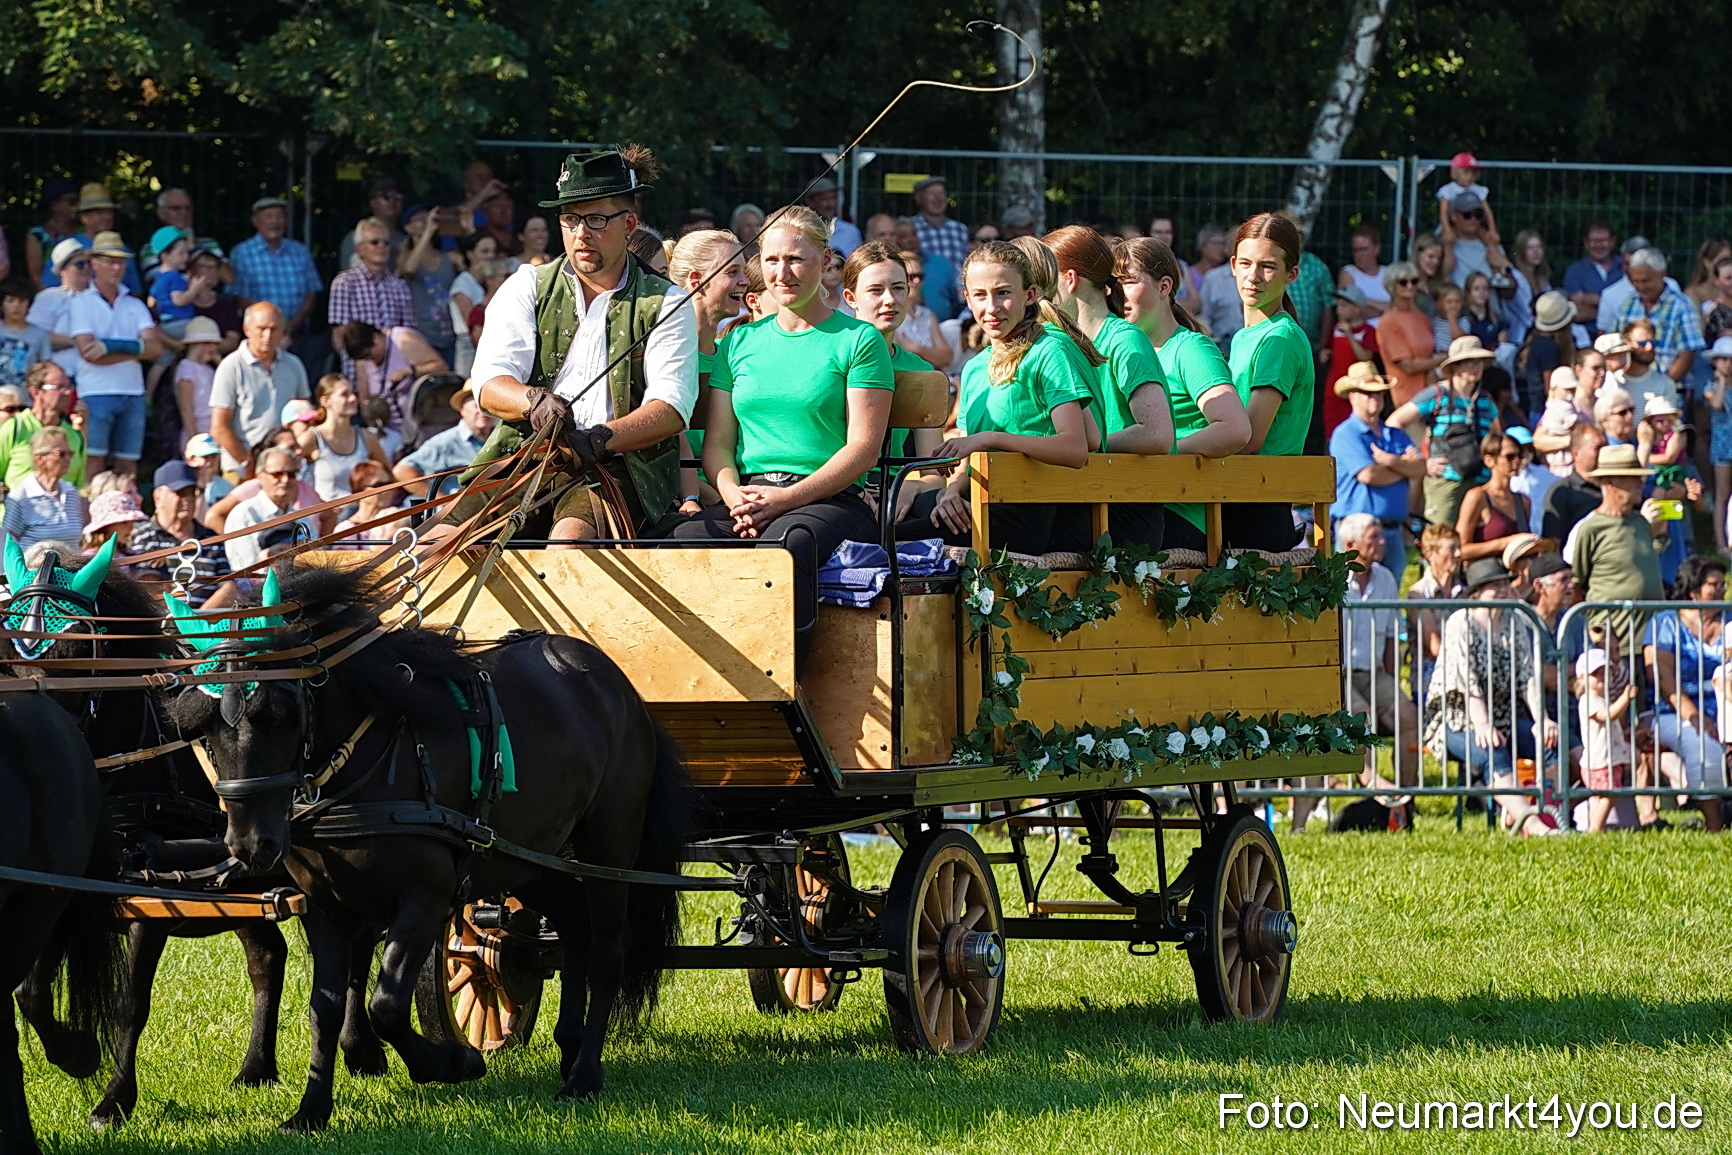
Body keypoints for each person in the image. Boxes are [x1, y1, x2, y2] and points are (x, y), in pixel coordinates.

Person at [673, 204, 892, 667]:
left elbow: (862, 449)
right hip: (750, 498)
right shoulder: (740, 342)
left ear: (826, 261)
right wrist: (733, 496)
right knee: (677, 539)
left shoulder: (859, 340)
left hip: (829, 499)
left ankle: (786, 692)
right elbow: (717, 444)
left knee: (787, 545)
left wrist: (783, 499)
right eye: (771, 260)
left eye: (795, 259)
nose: (782, 272)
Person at [457, 147, 698, 543]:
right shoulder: (526, 285)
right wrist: (533, 402)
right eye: (570, 220)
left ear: (629, 224)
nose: (581, 233)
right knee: (442, 544)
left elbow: (670, 410)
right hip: (523, 458)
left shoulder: (666, 302)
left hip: (620, 466)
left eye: (596, 219)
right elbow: (488, 384)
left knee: (569, 542)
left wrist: (599, 438)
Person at [1114, 237, 1251, 551]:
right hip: (1132, 502)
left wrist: (1162, 453)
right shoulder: (1121, 351)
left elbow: (1235, 429)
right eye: (1113, 283)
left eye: (1129, 281)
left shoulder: (1190, 349)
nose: (1118, 293)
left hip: (1178, 514)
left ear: (1164, 287)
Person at [1044, 225, 1172, 547]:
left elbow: (1157, 433)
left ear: (1070, 280)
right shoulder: (1062, 344)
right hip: (1089, 496)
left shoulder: (1124, 339)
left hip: (1127, 509)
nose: (1035, 293)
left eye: (1044, 281)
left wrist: (1083, 444)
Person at [1423, 557, 1560, 835]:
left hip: (1505, 718)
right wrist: (1483, 725)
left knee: (1550, 745)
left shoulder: (1515, 620)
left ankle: (1540, 813)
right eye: (1494, 586)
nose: (1503, 590)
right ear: (1476, 593)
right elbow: (1466, 681)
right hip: (1457, 721)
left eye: (1505, 584)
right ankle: (1531, 825)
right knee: (1491, 751)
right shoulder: (1460, 623)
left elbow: (1528, 676)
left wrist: (1542, 719)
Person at [1222, 213, 1314, 550]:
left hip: (1259, 506)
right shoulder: (1247, 336)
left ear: (1291, 275)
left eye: (1268, 266)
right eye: (1245, 263)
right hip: (1240, 497)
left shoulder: (1280, 338)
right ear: (1232, 265)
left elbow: (1249, 439)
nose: (1253, 276)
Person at [1336, 512, 1421, 812]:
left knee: (1408, 715)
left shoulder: (1385, 577)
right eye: (1374, 537)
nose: (1383, 541)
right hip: (1338, 675)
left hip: (1374, 672)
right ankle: (1372, 784)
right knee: (1362, 715)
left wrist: (1392, 681)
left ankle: (1406, 798)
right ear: (1350, 544)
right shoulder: (1332, 578)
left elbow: (1388, 635)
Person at [1643, 554, 1727, 833]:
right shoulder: (1664, 623)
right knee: (1703, 746)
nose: (1722, 590)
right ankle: (1714, 824)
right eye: (1713, 585)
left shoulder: (1730, 620)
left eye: (1723, 583)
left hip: (1726, 707)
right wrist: (1695, 716)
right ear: (1692, 591)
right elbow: (1662, 678)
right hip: (1674, 711)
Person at [69, 232, 160, 477]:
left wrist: (108, 346)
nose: (117, 267)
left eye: (120, 261)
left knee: (128, 465)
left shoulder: (134, 304)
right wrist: (134, 349)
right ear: (94, 263)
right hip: (95, 393)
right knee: (93, 463)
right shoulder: (81, 303)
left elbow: (156, 348)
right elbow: (88, 352)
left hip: (132, 394)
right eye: (110, 261)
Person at [1386, 335, 1500, 527]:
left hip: (1481, 481)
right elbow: (1394, 422)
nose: (1476, 367)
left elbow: (1498, 436)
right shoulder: (1437, 394)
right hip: (1445, 480)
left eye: (1479, 362)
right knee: (1441, 537)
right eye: (1469, 362)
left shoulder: (1486, 399)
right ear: (1455, 366)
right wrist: (1420, 461)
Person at [1569, 443, 1665, 669]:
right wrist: (1596, 632)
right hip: (1614, 646)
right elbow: (1574, 586)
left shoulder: (1640, 523)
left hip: (1652, 642)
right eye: (1632, 478)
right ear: (1611, 483)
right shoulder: (1590, 529)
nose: (1640, 483)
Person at [1330, 362, 1422, 572]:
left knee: (1388, 597)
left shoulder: (1394, 432)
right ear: (1352, 396)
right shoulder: (1346, 433)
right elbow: (1369, 475)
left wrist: (1389, 461)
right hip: (1356, 532)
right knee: (1351, 595)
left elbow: (1420, 468)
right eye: (1368, 393)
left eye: (1379, 393)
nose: (1376, 397)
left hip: (1392, 531)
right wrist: (1403, 466)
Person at [209, 303, 310, 475]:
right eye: (261, 329)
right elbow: (219, 427)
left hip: (286, 467)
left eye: (274, 329)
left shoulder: (294, 364)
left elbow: (304, 415)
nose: (267, 335)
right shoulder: (231, 367)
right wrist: (248, 463)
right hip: (241, 469)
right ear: (247, 329)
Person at [228, 196, 323, 360]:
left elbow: (311, 293)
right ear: (255, 221)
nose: (275, 221)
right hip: (260, 335)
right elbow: (240, 298)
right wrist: (273, 327)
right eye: (269, 216)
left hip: (298, 332)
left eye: (280, 216)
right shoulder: (242, 253)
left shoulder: (300, 251)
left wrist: (291, 325)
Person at [1611, 248, 1705, 401]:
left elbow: (1687, 353)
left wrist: (1663, 386)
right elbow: (1615, 343)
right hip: (1629, 387)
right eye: (1636, 281)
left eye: (1646, 280)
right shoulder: (1628, 304)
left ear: (1662, 274)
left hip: (1670, 389)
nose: (1640, 286)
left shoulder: (1681, 305)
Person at [329, 218, 415, 383]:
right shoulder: (345, 283)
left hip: (395, 375)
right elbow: (339, 336)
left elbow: (408, 333)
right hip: (358, 375)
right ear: (360, 250)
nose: (381, 246)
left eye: (386, 242)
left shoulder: (399, 286)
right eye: (375, 242)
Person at [128, 459, 230, 586]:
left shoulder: (211, 539)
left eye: (192, 493)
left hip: (208, 606)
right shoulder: (140, 536)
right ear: (158, 498)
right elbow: (136, 586)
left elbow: (228, 587)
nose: (188, 499)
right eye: (180, 493)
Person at [296, 374, 387, 510]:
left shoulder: (367, 437)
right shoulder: (312, 438)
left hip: (361, 516)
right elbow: (289, 471)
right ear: (325, 401)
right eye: (345, 394)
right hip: (327, 518)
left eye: (353, 393)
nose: (353, 398)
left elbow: (388, 474)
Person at [222, 446, 320, 571]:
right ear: (260, 476)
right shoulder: (244, 514)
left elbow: (315, 561)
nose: (285, 480)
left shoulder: (303, 519)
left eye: (291, 474)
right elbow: (242, 569)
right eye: (277, 474)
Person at [392, 382, 496, 499]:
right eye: (476, 406)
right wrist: (442, 501)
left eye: (488, 406)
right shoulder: (445, 443)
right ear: (462, 409)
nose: (483, 412)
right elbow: (402, 471)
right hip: (461, 514)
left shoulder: (500, 436)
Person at [1574, 647, 1636, 834]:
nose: (1601, 677)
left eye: (1605, 672)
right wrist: (1625, 698)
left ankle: (1594, 827)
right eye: (1595, 674)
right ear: (1582, 678)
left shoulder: (1601, 698)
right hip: (1599, 761)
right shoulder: (1588, 700)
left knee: (1604, 796)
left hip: (1607, 758)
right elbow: (1607, 716)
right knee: (1608, 795)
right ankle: (1595, 829)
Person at [341, 321, 448, 427]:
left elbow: (441, 366)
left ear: (376, 337)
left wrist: (409, 371)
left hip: (422, 422)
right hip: (389, 430)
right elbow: (365, 399)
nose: (369, 360)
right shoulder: (363, 362)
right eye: (364, 358)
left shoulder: (402, 339)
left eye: (369, 354)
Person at [0, 361, 84, 493]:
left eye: (70, 387)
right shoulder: (15, 428)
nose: (67, 392)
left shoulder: (74, 436)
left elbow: (80, 488)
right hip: (17, 510)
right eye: (59, 387)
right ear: (36, 392)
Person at [0, 427, 85, 549]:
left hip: (71, 566)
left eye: (70, 454)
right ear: (40, 458)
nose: (68, 459)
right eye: (61, 454)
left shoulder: (71, 493)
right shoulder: (21, 496)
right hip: (33, 566)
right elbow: (9, 542)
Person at [396, 205, 459, 366]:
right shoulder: (404, 258)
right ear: (408, 228)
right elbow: (409, 269)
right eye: (420, 220)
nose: (426, 222)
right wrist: (427, 232)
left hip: (452, 336)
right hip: (423, 338)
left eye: (428, 218)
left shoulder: (450, 258)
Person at [1377, 261, 1445, 405]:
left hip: (1433, 393)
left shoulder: (1421, 317)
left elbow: (1430, 352)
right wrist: (1444, 359)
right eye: (1403, 282)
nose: (1410, 286)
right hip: (1408, 398)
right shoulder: (1388, 322)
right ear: (1391, 286)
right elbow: (1408, 366)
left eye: (1414, 281)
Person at [1456, 432, 1531, 561]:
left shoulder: (1523, 501)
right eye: (1510, 456)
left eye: (1519, 455)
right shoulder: (1477, 497)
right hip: (1486, 572)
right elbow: (1459, 550)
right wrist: (1503, 543)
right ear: (1489, 460)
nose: (1516, 461)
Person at [24, 238, 90, 383]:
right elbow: (34, 336)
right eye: (80, 264)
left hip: (94, 377)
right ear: (62, 270)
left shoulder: (99, 298)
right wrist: (80, 340)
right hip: (62, 377)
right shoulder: (49, 297)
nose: (86, 268)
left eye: (88, 263)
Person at [1321, 286, 1378, 434]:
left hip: (1356, 391)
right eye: (1338, 305)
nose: (1339, 309)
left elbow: (1366, 358)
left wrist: (1350, 336)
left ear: (1357, 309)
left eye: (1344, 305)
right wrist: (1325, 353)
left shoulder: (1368, 330)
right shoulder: (1335, 328)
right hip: (1332, 390)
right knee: (1331, 431)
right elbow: (1328, 348)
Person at [69, 184, 141, 295]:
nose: (107, 217)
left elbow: (135, 291)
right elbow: (50, 288)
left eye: (109, 212)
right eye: (100, 212)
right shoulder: (69, 247)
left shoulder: (122, 249)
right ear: (84, 217)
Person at [1540, 423, 1607, 542]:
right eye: (1597, 448)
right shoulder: (1563, 492)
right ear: (1576, 454)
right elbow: (1553, 542)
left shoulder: (1613, 486)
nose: (1604, 453)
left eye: (1605, 447)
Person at [448, 232, 502, 376]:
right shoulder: (463, 283)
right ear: (470, 254)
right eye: (485, 251)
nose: (490, 256)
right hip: (469, 344)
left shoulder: (484, 282)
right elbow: (470, 321)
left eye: (493, 251)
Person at [138, 188, 223, 279]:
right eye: (176, 208)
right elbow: (160, 283)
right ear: (161, 213)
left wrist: (195, 249)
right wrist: (191, 252)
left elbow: (229, 278)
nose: (184, 212)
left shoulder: (209, 242)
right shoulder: (152, 248)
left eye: (188, 208)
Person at [336, 178, 408, 270]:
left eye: (398, 196)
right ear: (373, 203)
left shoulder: (405, 240)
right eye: (386, 196)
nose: (393, 201)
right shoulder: (355, 237)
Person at [1562, 220, 1622, 331]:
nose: (1599, 245)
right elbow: (1578, 314)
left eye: (1603, 240)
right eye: (1594, 241)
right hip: (1587, 340)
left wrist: (1598, 302)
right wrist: (1616, 308)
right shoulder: (1575, 271)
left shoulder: (1624, 267)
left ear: (1612, 242)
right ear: (1586, 243)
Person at [331, 460, 408, 545]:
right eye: (378, 485)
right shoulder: (346, 530)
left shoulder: (400, 522)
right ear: (359, 491)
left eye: (388, 484)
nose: (386, 490)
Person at [172, 316, 224, 438]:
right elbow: (186, 408)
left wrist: (220, 363)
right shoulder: (186, 368)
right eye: (208, 343)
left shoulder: (208, 369)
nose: (213, 348)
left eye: (215, 344)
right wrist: (193, 438)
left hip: (213, 427)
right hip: (197, 428)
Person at [24, 177, 79, 290]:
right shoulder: (37, 235)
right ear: (54, 205)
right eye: (71, 202)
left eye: (78, 202)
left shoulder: (83, 231)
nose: (77, 206)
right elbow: (35, 277)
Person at [1703, 337, 1732, 550]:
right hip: (1723, 447)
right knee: (1722, 495)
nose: (1727, 364)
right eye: (1722, 359)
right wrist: (1721, 381)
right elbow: (1716, 403)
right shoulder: (1710, 386)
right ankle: (1721, 542)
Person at [1504, 426, 1557, 534]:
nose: (1525, 453)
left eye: (1528, 448)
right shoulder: (1505, 479)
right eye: (1520, 449)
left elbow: (1561, 483)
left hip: (1541, 533)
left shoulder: (1542, 472)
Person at [0, 280, 50, 387]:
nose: (16, 305)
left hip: (24, 397)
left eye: (21, 301)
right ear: (1, 304)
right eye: (10, 301)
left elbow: (45, 367)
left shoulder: (39, 334)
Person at [1337, 224, 1390, 323]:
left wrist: (1367, 302)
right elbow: (1349, 313)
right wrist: (1387, 309)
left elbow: (1402, 309)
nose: (1359, 255)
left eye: (1364, 249)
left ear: (1377, 249)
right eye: (1356, 250)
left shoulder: (1388, 273)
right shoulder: (1348, 273)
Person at [803, 177, 861, 258]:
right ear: (810, 202)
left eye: (833, 198)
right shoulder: (801, 232)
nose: (830, 204)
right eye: (825, 199)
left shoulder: (851, 232)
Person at [82, 489, 146, 553]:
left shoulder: (131, 555)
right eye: (124, 522)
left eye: (132, 522)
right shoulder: (91, 559)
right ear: (106, 527)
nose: (131, 528)